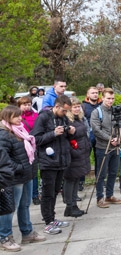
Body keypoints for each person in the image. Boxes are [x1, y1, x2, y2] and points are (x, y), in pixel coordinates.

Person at [0, 105, 46, 251]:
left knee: (25, 205)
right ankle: (5, 237)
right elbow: (4, 159)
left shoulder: (20, 129)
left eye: (20, 115)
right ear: (7, 117)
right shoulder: (4, 134)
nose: (20, 118)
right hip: (14, 178)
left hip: (27, 175)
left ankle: (27, 232)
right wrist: (19, 168)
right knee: (9, 208)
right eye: (16, 116)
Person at [30, 95, 75, 234]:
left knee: (55, 192)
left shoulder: (62, 118)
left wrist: (71, 132)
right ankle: (47, 221)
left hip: (61, 160)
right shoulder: (43, 117)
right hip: (48, 161)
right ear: (57, 106)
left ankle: (53, 218)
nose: (65, 114)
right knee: (47, 193)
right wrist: (53, 133)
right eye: (64, 111)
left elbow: (66, 137)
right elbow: (35, 139)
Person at [90, 88, 121, 208]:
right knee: (101, 173)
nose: (110, 101)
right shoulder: (97, 112)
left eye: (112, 98)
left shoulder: (116, 111)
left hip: (115, 147)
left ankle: (109, 195)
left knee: (114, 172)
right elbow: (96, 130)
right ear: (103, 98)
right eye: (108, 98)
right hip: (102, 147)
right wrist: (110, 139)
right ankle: (100, 197)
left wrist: (120, 137)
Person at [63, 98, 91, 218]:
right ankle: (69, 205)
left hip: (81, 153)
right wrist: (74, 151)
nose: (77, 109)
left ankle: (73, 204)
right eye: (74, 107)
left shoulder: (79, 119)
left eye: (78, 106)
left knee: (76, 179)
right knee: (70, 180)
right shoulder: (67, 121)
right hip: (73, 155)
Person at [18, 97, 40, 206]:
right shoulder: (18, 117)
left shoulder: (35, 115)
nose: (27, 106)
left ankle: (35, 194)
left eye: (29, 104)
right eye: (24, 104)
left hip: (33, 144)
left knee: (34, 171)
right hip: (22, 146)